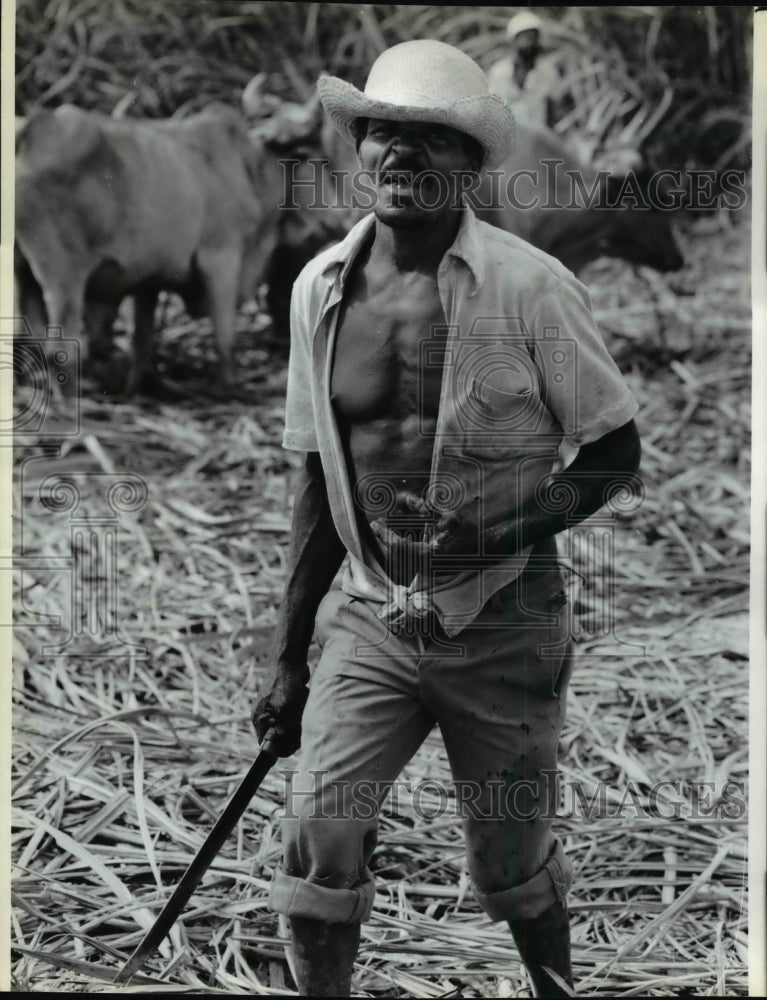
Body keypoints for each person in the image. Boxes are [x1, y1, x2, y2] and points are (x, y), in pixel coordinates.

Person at [253, 39, 641, 998]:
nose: (400, 153)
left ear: (469, 166)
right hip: (369, 614)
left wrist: (496, 532)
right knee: (317, 856)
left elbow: (614, 456)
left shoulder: (532, 288)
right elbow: (313, 474)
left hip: (501, 617)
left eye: (431, 139)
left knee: (512, 869)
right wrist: (287, 651)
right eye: (382, 131)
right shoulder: (318, 291)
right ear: (357, 149)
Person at [486, 11, 561, 126]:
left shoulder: (548, 72)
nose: (530, 43)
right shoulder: (499, 73)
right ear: (513, 41)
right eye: (525, 38)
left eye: (533, 38)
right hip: (506, 137)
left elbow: (552, 112)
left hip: (537, 138)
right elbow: (491, 112)